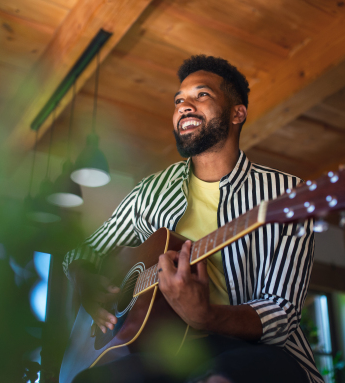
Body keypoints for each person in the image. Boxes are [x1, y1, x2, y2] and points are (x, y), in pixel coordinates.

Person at [63, 55, 321, 383]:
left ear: (237, 112)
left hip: (249, 352)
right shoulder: (152, 191)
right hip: (160, 351)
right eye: (179, 100)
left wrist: (207, 316)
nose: (185, 105)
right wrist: (84, 281)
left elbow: (281, 314)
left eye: (201, 95)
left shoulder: (284, 194)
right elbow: (83, 250)